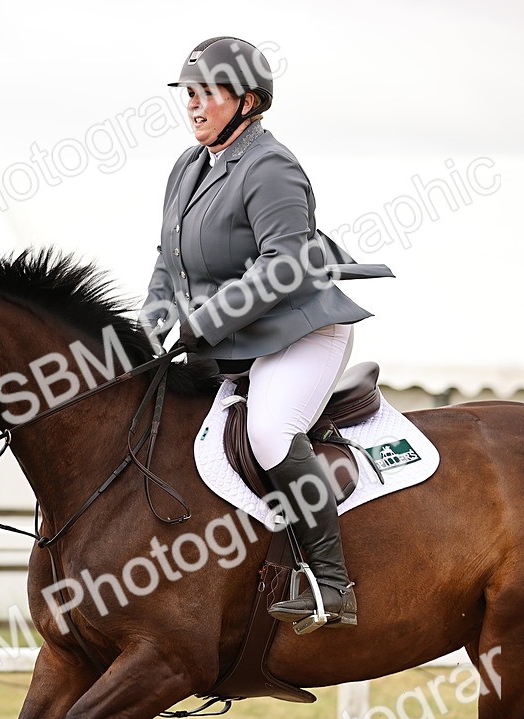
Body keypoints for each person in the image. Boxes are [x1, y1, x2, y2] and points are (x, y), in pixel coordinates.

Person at [139, 36, 391, 634]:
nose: (195, 106)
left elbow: (283, 265)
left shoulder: (271, 166)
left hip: (298, 331)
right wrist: (152, 317)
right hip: (233, 337)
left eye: (209, 95)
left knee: (270, 432)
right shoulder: (188, 165)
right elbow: (168, 258)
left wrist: (202, 321)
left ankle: (332, 585)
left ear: (248, 100)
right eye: (190, 95)